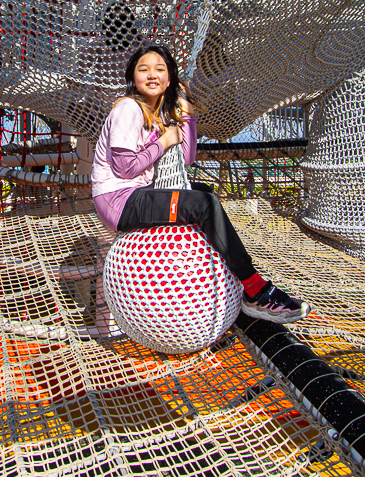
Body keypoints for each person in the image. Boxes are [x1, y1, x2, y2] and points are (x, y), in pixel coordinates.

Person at [91, 42, 311, 323]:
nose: (151, 74)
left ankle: (211, 276)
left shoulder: (158, 114)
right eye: (143, 69)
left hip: (136, 193)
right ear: (133, 79)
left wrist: (188, 115)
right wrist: (163, 141)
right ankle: (255, 289)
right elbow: (124, 168)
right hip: (118, 200)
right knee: (204, 205)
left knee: (204, 192)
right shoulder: (128, 109)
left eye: (159, 69)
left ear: (169, 79)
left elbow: (186, 157)